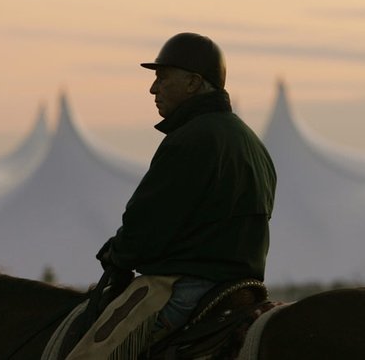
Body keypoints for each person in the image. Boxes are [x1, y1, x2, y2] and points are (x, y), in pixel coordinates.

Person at [96, 32, 277, 336]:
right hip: (243, 286)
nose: (153, 88)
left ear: (193, 82)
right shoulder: (250, 141)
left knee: (92, 351)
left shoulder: (191, 139)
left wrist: (116, 255)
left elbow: (147, 226)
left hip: (189, 288)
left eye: (163, 77)